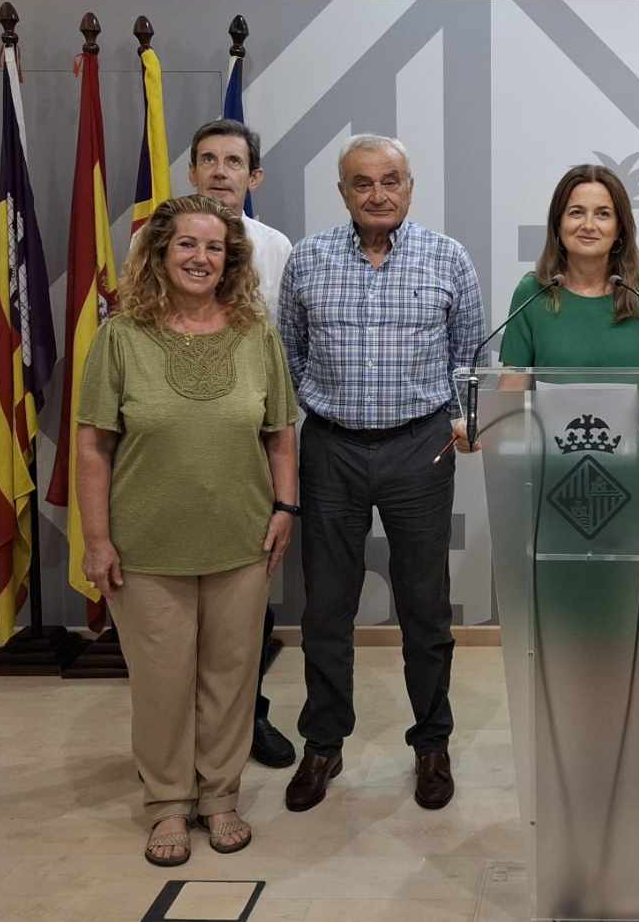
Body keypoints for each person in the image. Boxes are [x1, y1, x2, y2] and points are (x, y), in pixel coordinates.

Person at [75, 194, 300, 864]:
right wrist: (97, 538)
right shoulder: (121, 336)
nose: (203, 258)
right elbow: (93, 448)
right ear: (160, 254)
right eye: (188, 246)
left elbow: (281, 433)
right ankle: (168, 804)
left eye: (216, 248)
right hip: (146, 545)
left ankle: (220, 795)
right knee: (162, 679)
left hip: (242, 538)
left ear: (232, 259)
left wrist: (285, 508)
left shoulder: (257, 332)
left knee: (232, 676)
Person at [276, 134, 484, 814]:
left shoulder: (449, 258)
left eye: (390, 179)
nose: (378, 193)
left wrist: (456, 420)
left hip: (417, 449)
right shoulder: (307, 260)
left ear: (410, 185)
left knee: (425, 605)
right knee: (326, 606)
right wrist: (321, 410)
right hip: (330, 449)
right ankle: (324, 743)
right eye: (362, 182)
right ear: (342, 192)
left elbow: (469, 359)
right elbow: (289, 356)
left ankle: (431, 742)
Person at [184, 118, 295, 770]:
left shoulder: (275, 247)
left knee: (245, 595)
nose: (221, 171)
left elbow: (287, 346)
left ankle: (246, 718)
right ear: (193, 173)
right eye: (209, 160)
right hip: (175, 447)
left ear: (253, 177)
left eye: (234, 161)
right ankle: (180, 736)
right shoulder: (157, 241)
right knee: (175, 600)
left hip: (249, 446)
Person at [497, 164, 639, 368]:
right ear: (558, 224)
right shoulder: (531, 292)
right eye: (576, 213)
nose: (589, 226)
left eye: (603, 214)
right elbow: (511, 392)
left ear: (619, 228)